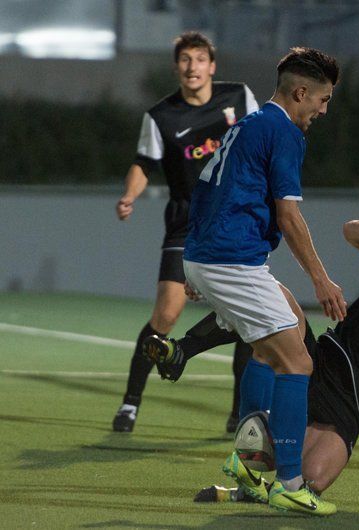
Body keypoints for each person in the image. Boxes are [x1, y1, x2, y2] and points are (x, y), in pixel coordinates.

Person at [149, 218, 359, 512]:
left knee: (310, 482)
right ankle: (183, 350)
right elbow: (352, 232)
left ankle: (247, 487)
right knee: (275, 298)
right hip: (321, 361)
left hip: (352, 410)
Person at [176, 46, 346, 516]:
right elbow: (289, 217)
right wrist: (323, 280)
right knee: (298, 363)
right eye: (323, 99)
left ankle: (250, 466)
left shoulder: (247, 125)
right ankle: (289, 482)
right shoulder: (284, 132)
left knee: (281, 330)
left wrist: (198, 262)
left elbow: (206, 189)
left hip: (216, 256)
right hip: (231, 260)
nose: (323, 110)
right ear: (300, 92)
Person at [112, 31, 260, 434]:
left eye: (199, 59)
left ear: (212, 66)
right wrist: (129, 195)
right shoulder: (161, 116)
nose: (192, 67)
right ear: (177, 67)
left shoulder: (239, 98)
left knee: (248, 315)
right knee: (166, 313)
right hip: (187, 222)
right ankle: (130, 403)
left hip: (235, 221)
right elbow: (144, 163)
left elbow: (262, 141)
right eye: (185, 60)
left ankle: (239, 412)